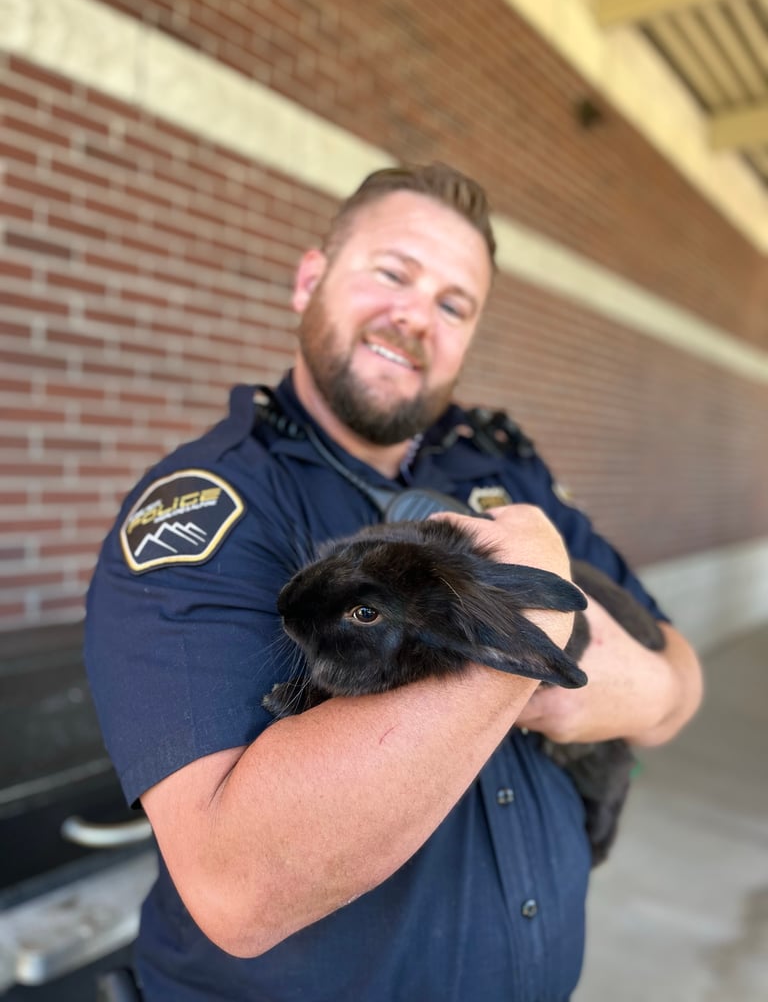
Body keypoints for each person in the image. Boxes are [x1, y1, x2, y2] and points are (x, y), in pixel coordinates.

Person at [84, 163, 703, 1001]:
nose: (417, 315)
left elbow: (679, 687)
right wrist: (517, 633)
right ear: (311, 280)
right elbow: (238, 889)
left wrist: (618, 686)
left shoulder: (506, 471)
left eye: (455, 304)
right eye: (392, 272)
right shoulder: (213, 505)